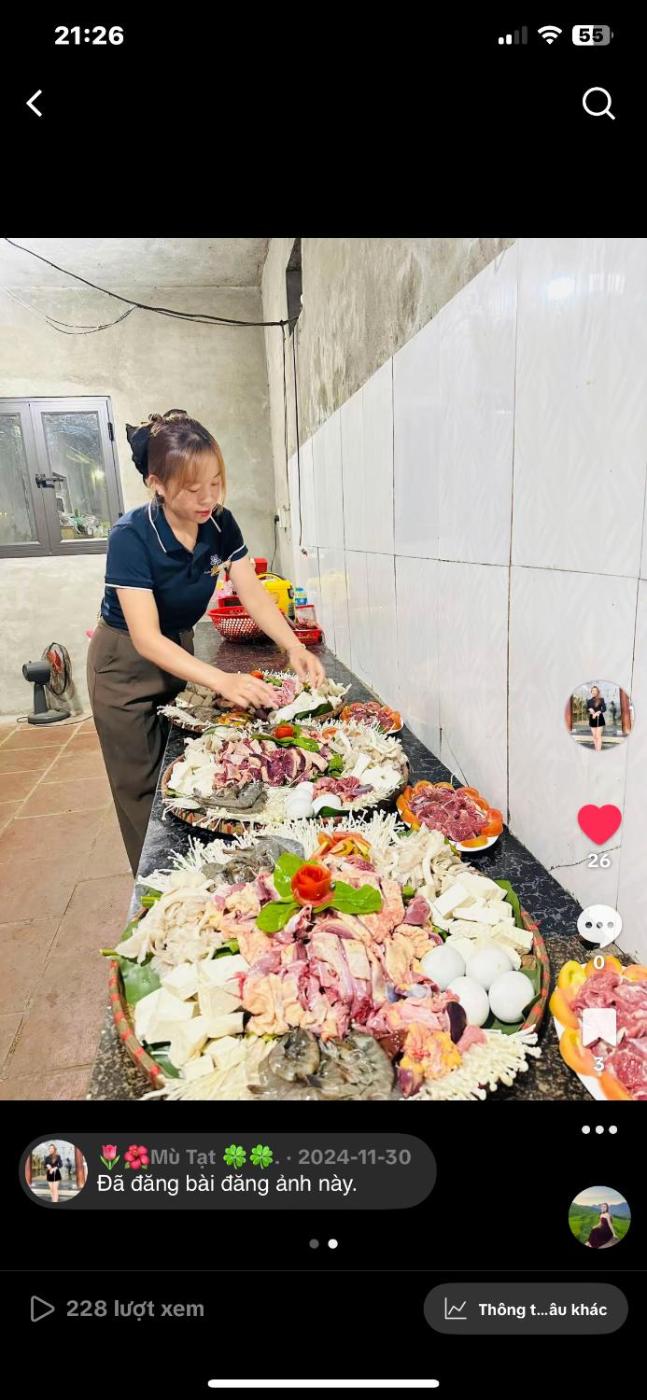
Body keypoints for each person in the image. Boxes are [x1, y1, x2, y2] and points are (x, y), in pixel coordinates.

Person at [87, 410, 325, 874]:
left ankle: (205, 873)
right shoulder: (131, 536)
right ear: (157, 484)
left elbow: (252, 592)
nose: (208, 498)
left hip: (180, 649)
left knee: (188, 773)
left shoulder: (219, 523)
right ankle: (160, 886)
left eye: (215, 483)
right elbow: (145, 638)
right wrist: (223, 680)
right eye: (193, 489)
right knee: (142, 789)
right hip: (124, 665)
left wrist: (293, 645)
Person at [586, 685, 606, 752]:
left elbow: (604, 709)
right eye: (593, 690)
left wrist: (598, 712)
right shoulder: (589, 701)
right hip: (592, 719)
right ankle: (596, 750)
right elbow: (586, 709)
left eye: (595, 690)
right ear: (591, 692)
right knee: (594, 736)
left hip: (599, 718)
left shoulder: (601, 699)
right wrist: (589, 709)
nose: (594, 692)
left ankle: (598, 751)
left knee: (598, 736)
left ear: (597, 692)